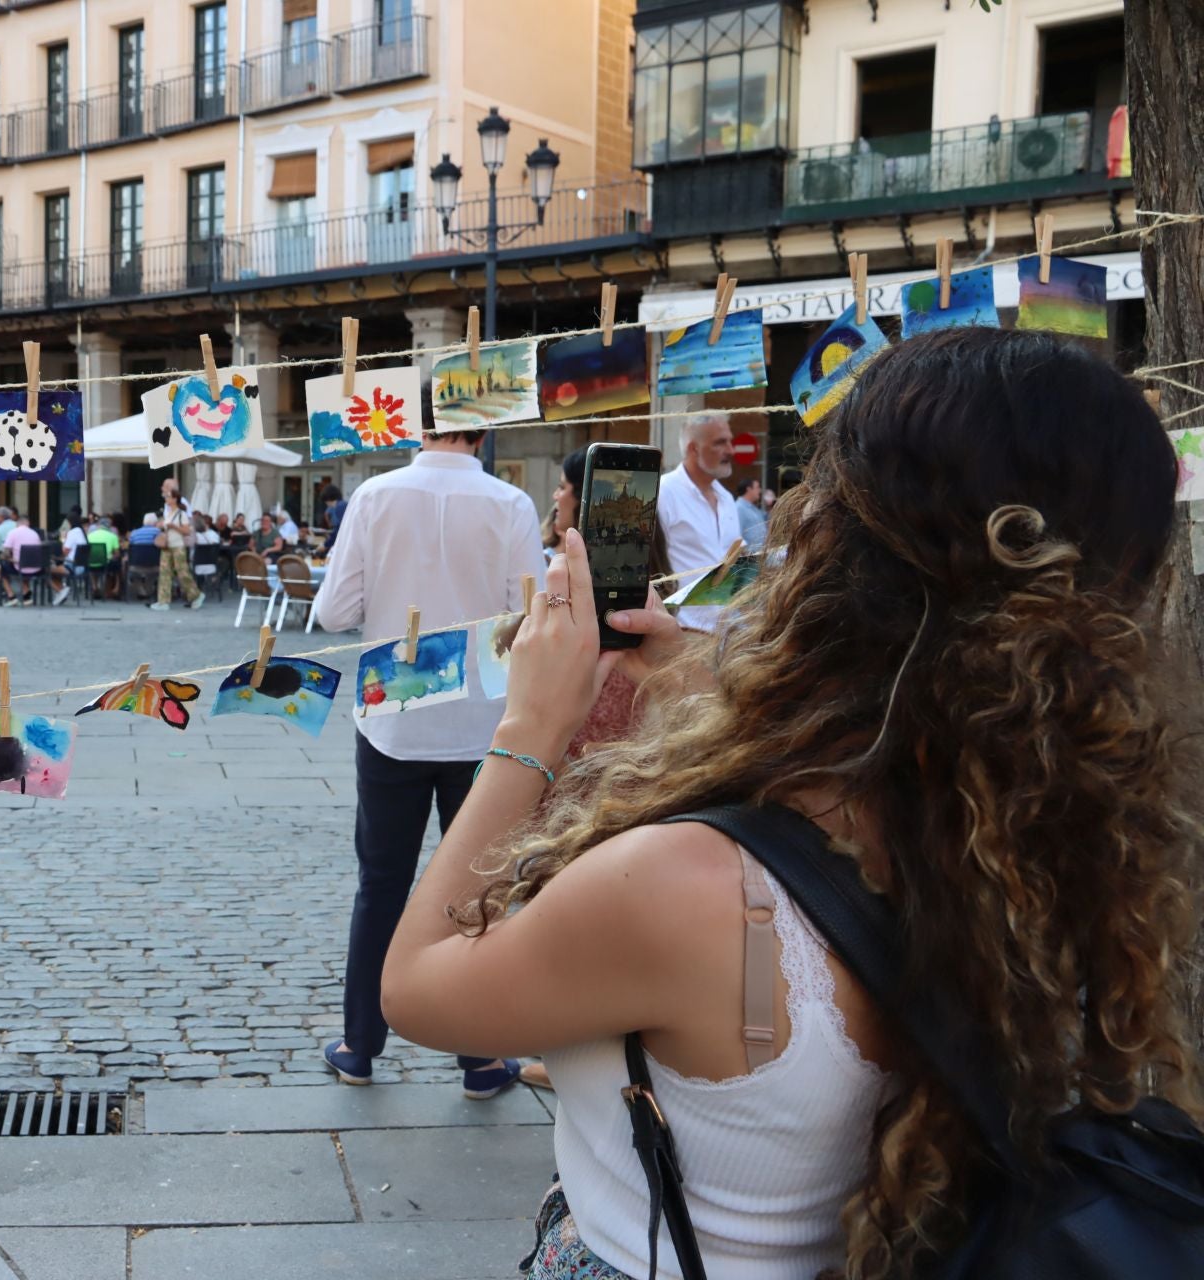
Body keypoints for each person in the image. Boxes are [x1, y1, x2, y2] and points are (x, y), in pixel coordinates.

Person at [378, 328, 1202, 1279]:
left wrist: (530, 727)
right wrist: (711, 693)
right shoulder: (1061, 826)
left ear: (830, 545)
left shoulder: (681, 887)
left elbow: (419, 988)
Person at [310, 386, 546, 1099]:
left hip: (392, 718)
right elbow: (529, 614)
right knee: (475, 887)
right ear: (484, 429)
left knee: (380, 882)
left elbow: (333, 611)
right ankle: (477, 1056)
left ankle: (359, 1043)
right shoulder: (510, 504)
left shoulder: (375, 497)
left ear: (418, 424)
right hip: (481, 722)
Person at [658, 415, 742, 632]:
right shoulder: (663, 493)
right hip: (684, 632)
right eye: (720, 442)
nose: (731, 450)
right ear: (693, 449)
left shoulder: (726, 499)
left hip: (728, 634)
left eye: (729, 441)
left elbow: (731, 561)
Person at [153, 477, 205, 612]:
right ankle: (163, 601)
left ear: (173, 494)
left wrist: (172, 526)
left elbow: (187, 529)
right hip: (167, 545)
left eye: (165, 487)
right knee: (164, 573)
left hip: (178, 545)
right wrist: (162, 524)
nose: (162, 489)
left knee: (182, 572)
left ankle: (196, 595)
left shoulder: (182, 509)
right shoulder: (167, 509)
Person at [0, 517, 43, 607]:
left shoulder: (13, 532)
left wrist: (5, 557)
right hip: (36, 568)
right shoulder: (35, 533)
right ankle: (26, 594)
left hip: (20, 567)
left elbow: (6, 552)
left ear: (17, 524)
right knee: (18, 566)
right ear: (28, 524)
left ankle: (11, 596)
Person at [734, 477, 768, 552]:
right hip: (749, 557)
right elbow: (736, 536)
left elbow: (768, 521)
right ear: (749, 489)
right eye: (758, 487)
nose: (760, 490)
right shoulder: (738, 508)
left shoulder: (754, 508)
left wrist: (770, 505)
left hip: (760, 554)